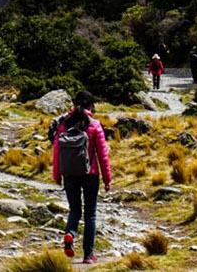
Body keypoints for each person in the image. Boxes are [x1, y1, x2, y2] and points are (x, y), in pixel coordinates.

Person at [50, 90, 112, 264]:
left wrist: (57, 175)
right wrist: (107, 180)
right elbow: (103, 155)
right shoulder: (94, 125)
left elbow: (56, 152)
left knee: (74, 210)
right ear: (91, 105)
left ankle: (70, 233)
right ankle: (88, 255)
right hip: (90, 175)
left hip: (70, 174)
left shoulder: (64, 124)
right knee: (90, 214)